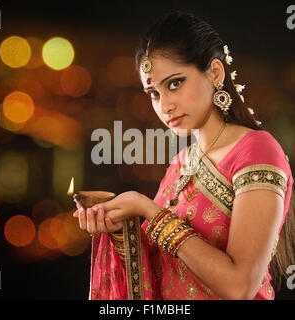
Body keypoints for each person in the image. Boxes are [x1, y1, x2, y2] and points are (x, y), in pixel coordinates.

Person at [73, 11, 295, 300]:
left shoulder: (257, 150)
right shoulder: (182, 162)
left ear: (215, 72)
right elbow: (158, 266)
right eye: (153, 93)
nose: (164, 105)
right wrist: (119, 229)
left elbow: (239, 287)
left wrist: (147, 210)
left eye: (174, 83)